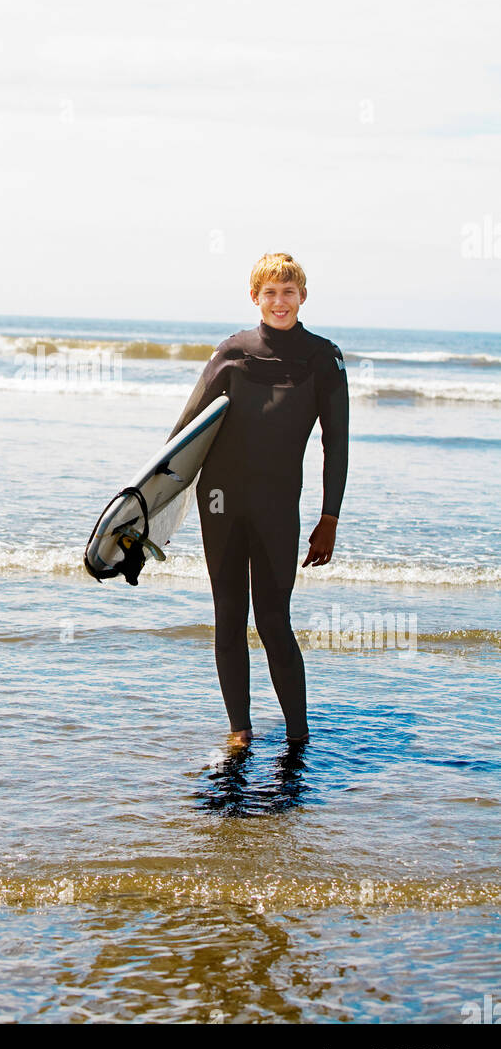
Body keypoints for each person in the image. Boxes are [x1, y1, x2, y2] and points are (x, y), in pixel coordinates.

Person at [169, 252, 348, 746]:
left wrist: (328, 516)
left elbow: (337, 442)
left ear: (302, 297)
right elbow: (184, 433)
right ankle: (240, 733)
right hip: (221, 500)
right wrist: (147, 508)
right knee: (228, 613)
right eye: (269, 292)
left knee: (273, 619)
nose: (279, 301)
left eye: (288, 292)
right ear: (255, 298)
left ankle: (297, 734)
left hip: (276, 505)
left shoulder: (322, 359)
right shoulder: (232, 352)